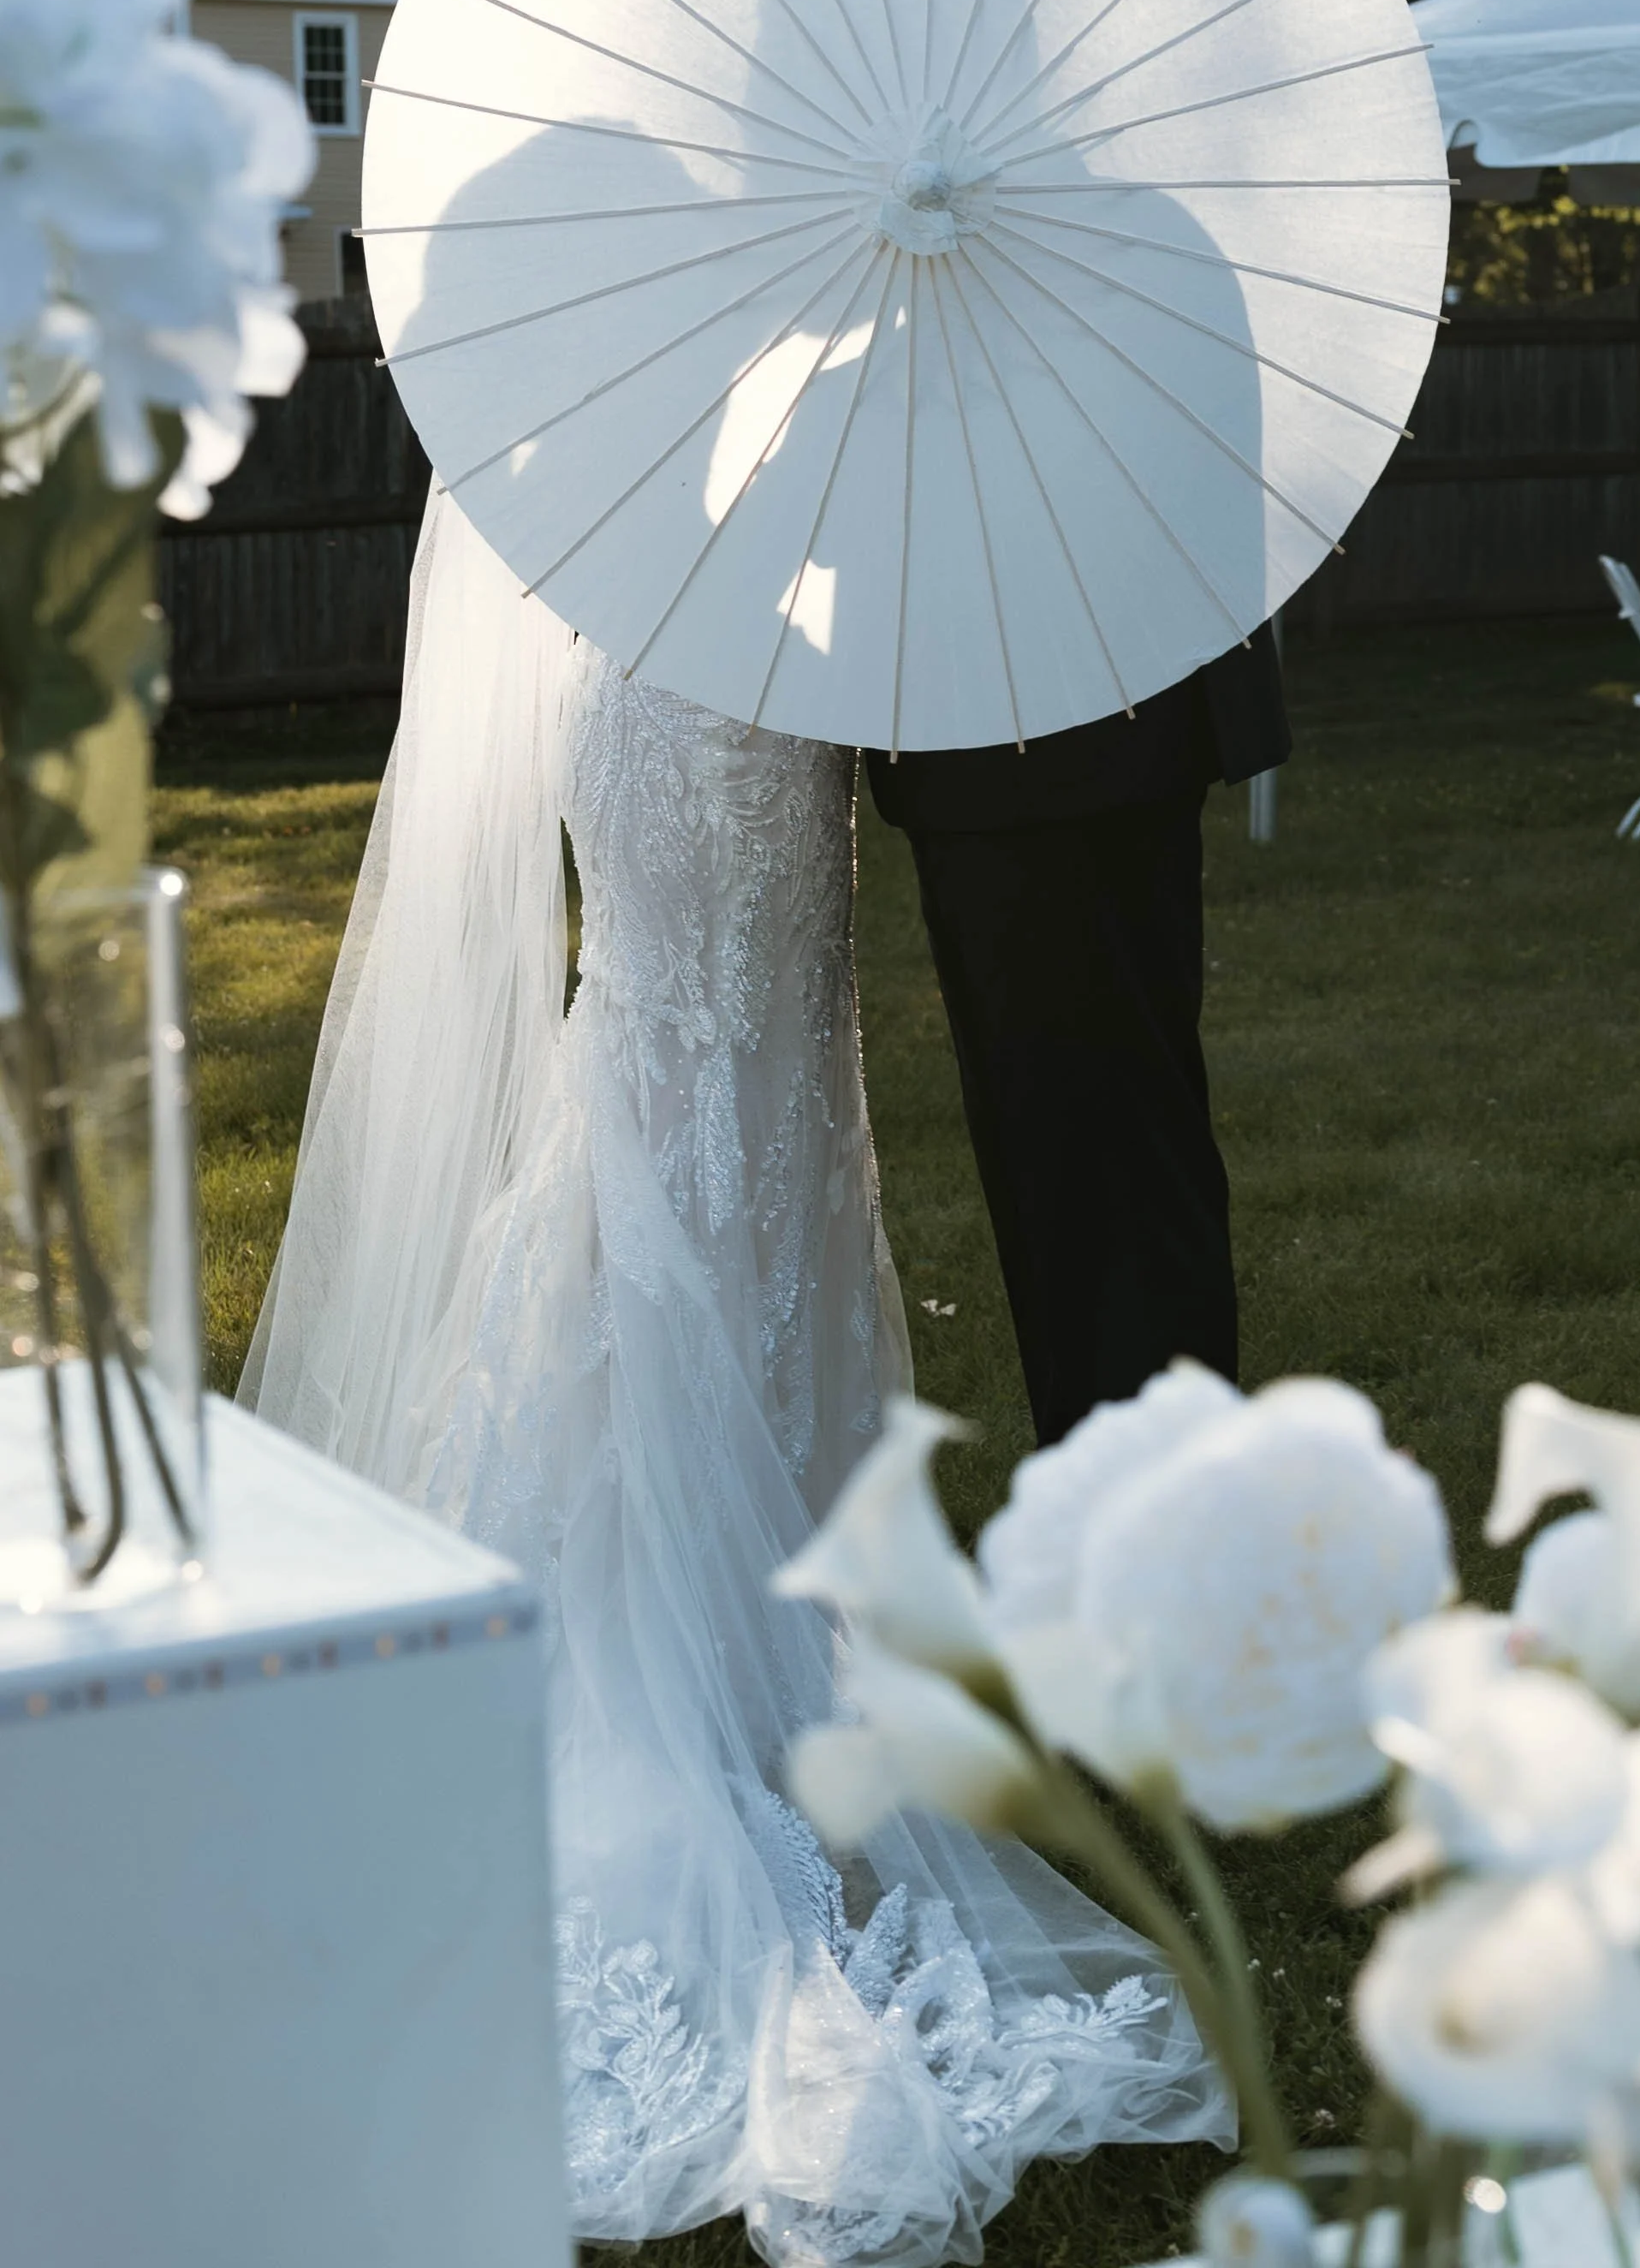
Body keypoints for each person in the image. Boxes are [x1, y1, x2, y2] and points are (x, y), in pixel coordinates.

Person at [242, 489, 1228, 2263]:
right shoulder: (636, 355)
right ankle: (684, 1652)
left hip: (763, 690)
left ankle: (767, 1600)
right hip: (689, 693)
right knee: (687, 1095)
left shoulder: (732, 312)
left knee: (759, 1122)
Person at [865, 628, 1290, 1446]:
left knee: (1087, 1143)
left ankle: (1139, 1485)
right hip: (1053, 719)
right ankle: (1133, 1476)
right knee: (1080, 1144)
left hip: (1045, 717)